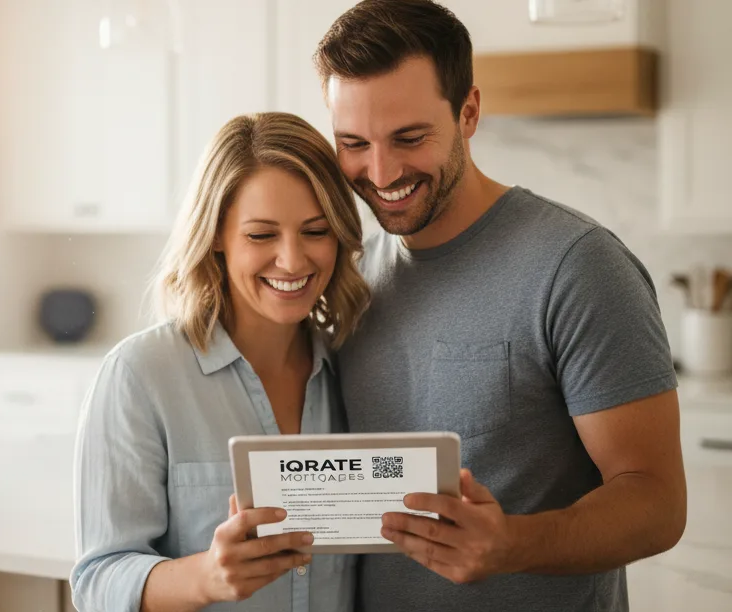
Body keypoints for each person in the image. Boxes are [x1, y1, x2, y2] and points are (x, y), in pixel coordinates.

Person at [312, 1, 687, 611]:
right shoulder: (348, 278)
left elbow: (657, 503)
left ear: (469, 112)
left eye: (410, 137)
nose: (380, 172)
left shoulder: (576, 265)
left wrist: (512, 544)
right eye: (353, 143)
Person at [69, 112, 370, 612]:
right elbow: (97, 583)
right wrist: (206, 576)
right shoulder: (141, 375)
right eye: (261, 235)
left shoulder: (352, 369)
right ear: (215, 235)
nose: (293, 260)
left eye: (316, 231)